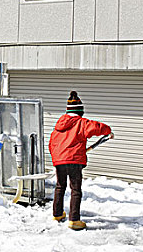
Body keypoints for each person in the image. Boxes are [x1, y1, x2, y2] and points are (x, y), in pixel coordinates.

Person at [49, 91, 114, 230]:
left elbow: (52, 143)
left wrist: (57, 158)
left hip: (59, 161)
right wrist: (108, 131)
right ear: (80, 110)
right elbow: (97, 127)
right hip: (74, 161)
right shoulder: (82, 123)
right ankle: (74, 220)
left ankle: (57, 214)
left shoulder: (58, 126)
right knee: (75, 189)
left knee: (60, 187)